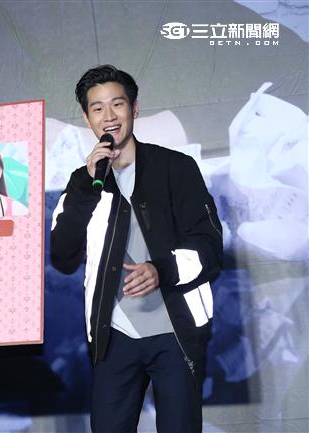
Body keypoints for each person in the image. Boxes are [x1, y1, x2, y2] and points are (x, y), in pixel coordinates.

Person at [50, 65, 223, 433]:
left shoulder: (175, 168)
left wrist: (161, 270)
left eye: (117, 104)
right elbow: (62, 255)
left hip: (175, 332)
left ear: (134, 108)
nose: (109, 116)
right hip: (114, 336)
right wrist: (87, 188)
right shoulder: (82, 181)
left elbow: (209, 247)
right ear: (86, 117)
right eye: (97, 108)